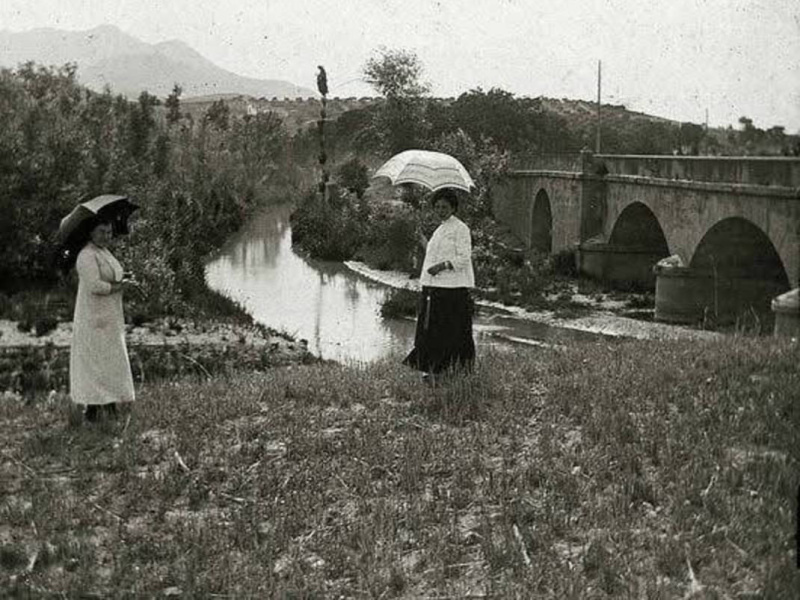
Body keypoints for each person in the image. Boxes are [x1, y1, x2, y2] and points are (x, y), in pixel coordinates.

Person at [70, 217, 137, 422]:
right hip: (93, 316)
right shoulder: (86, 255)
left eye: (109, 232)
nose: (106, 236)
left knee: (109, 359)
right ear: (91, 233)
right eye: (101, 232)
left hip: (110, 314)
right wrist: (122, 287)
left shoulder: (103, 252)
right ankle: (93, 409)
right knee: (96, 361)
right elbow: (95, 286)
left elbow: (110, 274)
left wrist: (123, 277)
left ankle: (109, 405)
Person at [403, 188, 476, 380]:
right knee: (432, 330)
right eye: (437, 207)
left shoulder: (460, 229)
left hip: (451, 289)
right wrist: (423, 241)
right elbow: (434, 254)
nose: (440, 210)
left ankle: (450, 372)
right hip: (434, 287)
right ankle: (435, 370)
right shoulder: (441, 229)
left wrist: (442, 266)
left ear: (453, 207)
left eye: (444, 207)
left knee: (449, 332)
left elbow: (464, 258)